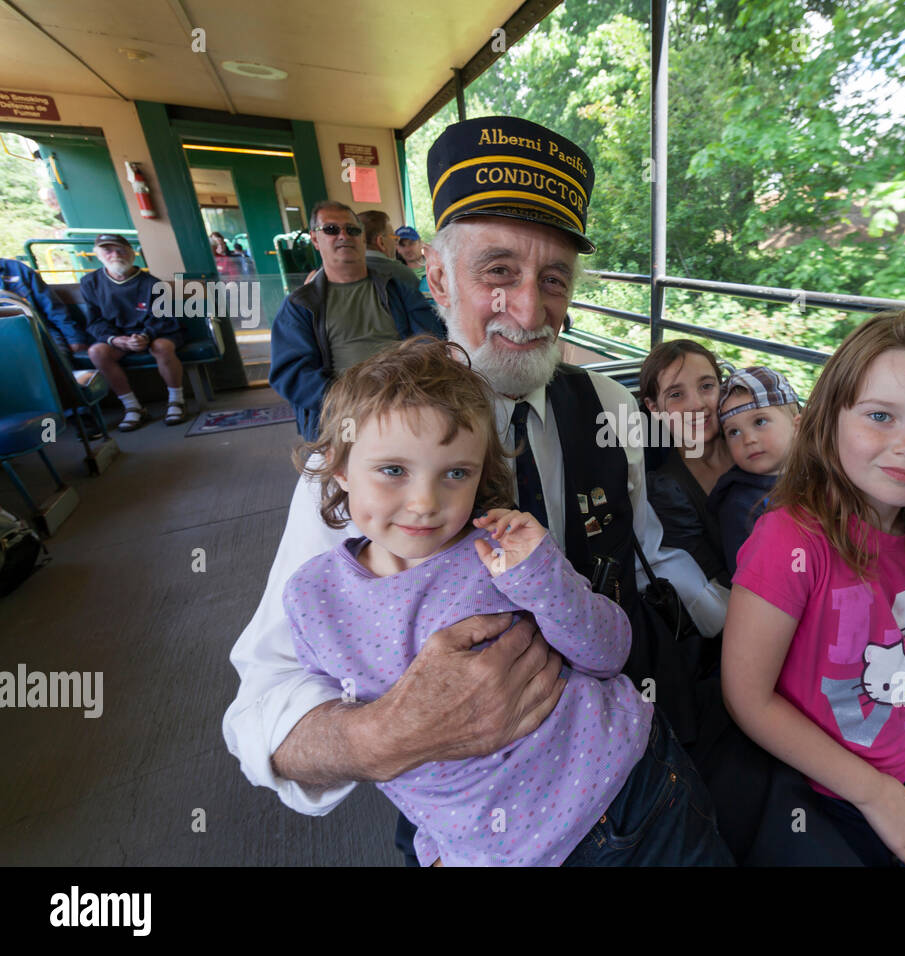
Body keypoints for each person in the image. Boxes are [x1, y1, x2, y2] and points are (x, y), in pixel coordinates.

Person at [224, 116, 728, 866]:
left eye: (553, 279)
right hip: (481, 821)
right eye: (498, 271)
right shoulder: (367, 461)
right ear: (435, 278)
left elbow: (641, 552)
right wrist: (386, 734)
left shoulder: (613, 411)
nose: (529, 311)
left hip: (633, 774)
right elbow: (258, 709)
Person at [283, 337, 732, 866]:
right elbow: (357, 728)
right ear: (338, 468)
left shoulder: (502, 550)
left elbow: (609, 651)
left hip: (636, 791)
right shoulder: (312, 599)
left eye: (455, 473)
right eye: (393, 470)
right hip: (500, 853)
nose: (425, 503)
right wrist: (436, 842)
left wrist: (544, 576)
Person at [722, 307, 905, 866]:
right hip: (827, 792)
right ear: (830, 418)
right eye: (881, 416)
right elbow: (748, 698)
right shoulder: (790, 543)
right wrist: (872, 790)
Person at [269, 201, 443, 441]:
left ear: (363, 238)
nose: (344, 236)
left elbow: (431, 340)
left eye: (352, 230)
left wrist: (411, 390)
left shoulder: (396, 290)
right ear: (315, 239)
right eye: (331, 230)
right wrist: (355, 402)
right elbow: (292, 375)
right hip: (344, 414)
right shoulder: (301, 305)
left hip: (406, 401)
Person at [640, 340, 735, 588]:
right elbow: (714, 583)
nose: (696, 404)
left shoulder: (756, 444)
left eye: (706, 386)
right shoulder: (668, 491)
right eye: (676, 394)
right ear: (654, 408)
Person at [80, 234, 187, 430]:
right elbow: (94, 321)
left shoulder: (152, 283)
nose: (115, 255)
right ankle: (133, 407)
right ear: (98, 255)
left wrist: (145, 336)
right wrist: (115, 339)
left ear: (131, 252)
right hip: (118, 337)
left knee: (162, 347)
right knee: (97, 352)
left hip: (153, 333)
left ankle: (176, 401)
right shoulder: (90, 282)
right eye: (108, 250)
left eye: (120, 250)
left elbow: (163, 318)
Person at [707, 366, 802, 577]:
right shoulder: (742, 506)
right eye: (734, 432)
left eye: (760, 422)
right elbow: (752, 579)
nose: (748, 439)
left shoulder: (821, 476)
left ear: (797, 427)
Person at [1, 256, 89, 361]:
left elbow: (52, 307)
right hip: (5, 338)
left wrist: (73, 338)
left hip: (37, 331)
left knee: (56, 358)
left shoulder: (17, 269)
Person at [357, 210, 421, 292]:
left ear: (421, 243)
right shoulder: (401, 273)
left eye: (411, 243)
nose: (395, 243)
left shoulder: (343, 273)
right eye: (394, 238)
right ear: (381, 242)